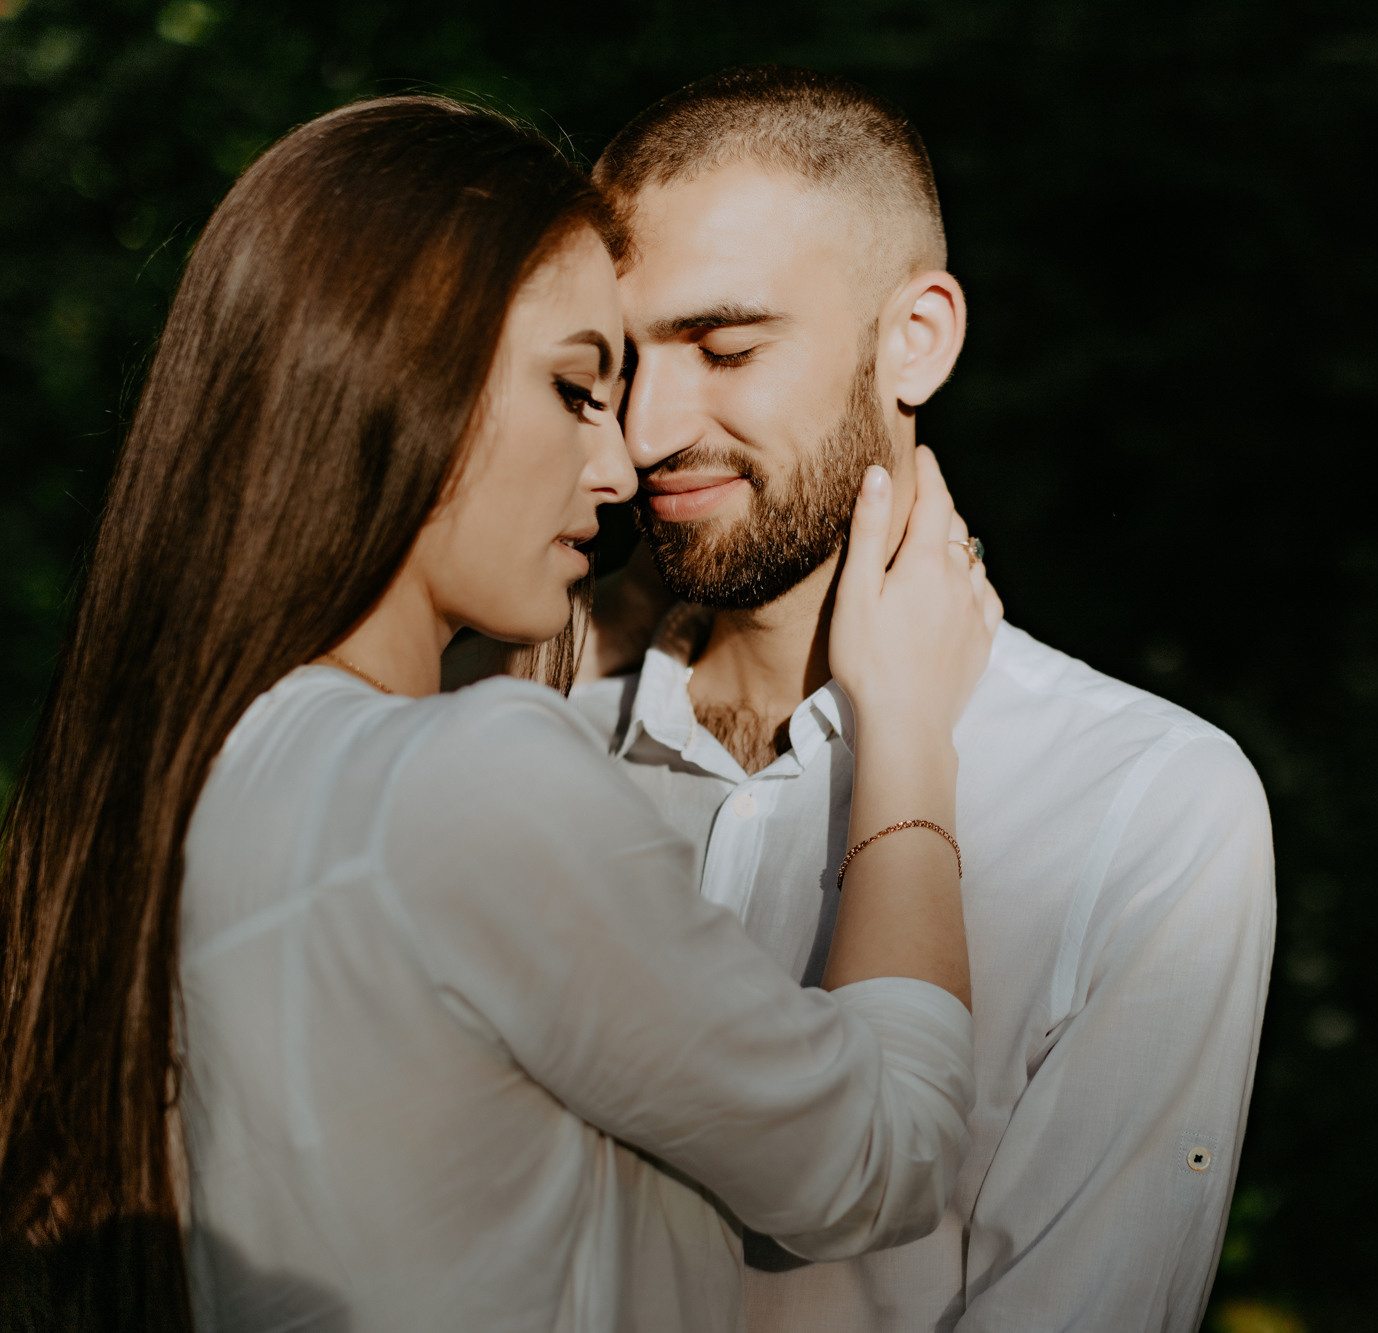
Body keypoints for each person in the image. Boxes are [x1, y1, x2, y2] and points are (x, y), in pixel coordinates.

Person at [0, 95, 1001, 1332]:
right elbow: (880, 1162)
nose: (626, 464)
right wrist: (904, 737)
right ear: (401, 376)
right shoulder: (470, 777)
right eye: (581, 388)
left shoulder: (194, 775)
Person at [576, 66, 1277, 1330]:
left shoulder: (1142, 804)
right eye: (622, 359)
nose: (644, 428)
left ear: (917, 341)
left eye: (725, 346)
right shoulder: (525, 736)